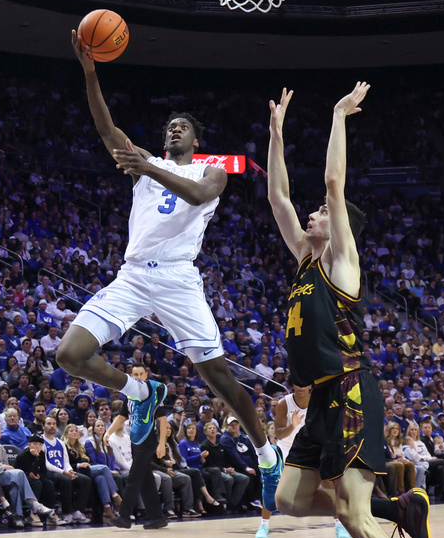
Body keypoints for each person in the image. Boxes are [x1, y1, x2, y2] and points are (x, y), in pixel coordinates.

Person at [57, 34, 281, 509]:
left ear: (196, 141)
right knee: (69, 354)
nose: (174, 130)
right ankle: (142, 391)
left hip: (179, 279)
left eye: (183, 127)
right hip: (135, 275)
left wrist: (147, 167)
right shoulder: (145, 162)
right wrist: (91, 72)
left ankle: (266, 451)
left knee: (219, 378)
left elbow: (200, 197)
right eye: (170, 126)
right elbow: (105, 128)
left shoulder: (211, 172)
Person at [266, 84, 428, 538]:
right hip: (322, 401)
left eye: (318, 213)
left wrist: (337, 114)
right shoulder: (306, 261)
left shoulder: (341, 262)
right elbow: (277, 198)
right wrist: (275, 135)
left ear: (337, 229)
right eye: (311, 212)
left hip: (351, 392)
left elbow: (334, 184)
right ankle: (395, 505)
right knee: (287, 499)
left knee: (352, 519)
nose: (310, 215)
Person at [256, 378, 350, 538]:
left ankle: (339, 525)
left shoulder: (319, 403)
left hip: (309, 447)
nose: (301, 386)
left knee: (328, 480)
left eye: (304, 383)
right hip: (286, 448)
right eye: (298, 382)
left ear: (311, 385)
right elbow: (278, 434)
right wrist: (292, 426)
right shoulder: (284, 403)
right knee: (272, 483)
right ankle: (264, 525)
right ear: (293, 384)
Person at [104, 364, 169, 530]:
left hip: (148, 441)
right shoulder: (130, 396)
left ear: (146, 375)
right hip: (135, 441)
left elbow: (162, 421)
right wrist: (108, 432)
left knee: (133, 478)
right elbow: (122, 417)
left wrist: (161, 443)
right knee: (146, 481)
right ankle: (157, 518)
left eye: (141, 374)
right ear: (131, 376)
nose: (138, 377)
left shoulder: (153, 394)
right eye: (135, 375)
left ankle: (124, 517)